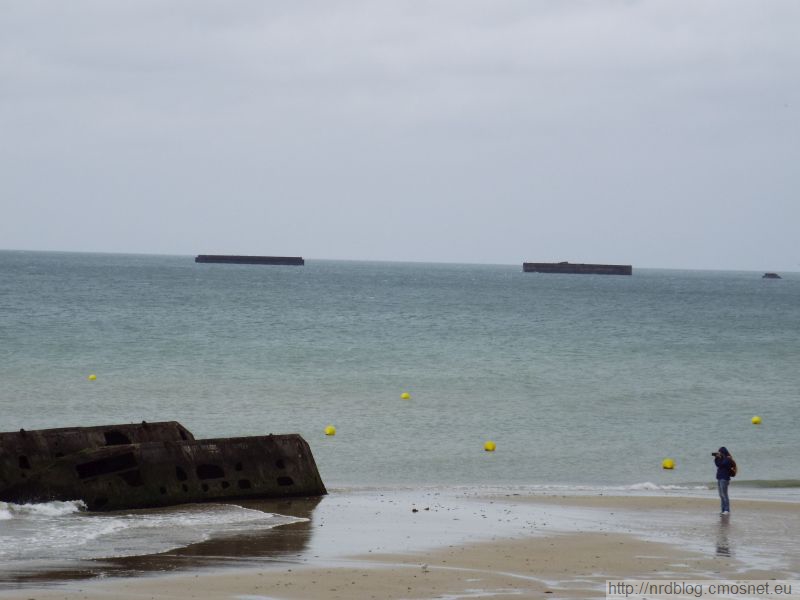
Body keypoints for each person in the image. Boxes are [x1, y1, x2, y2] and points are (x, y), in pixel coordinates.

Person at [714, 446, 734, 515]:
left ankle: (727, 510)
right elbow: (717, 464)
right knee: (721, 495)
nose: (719, 453)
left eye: (720, 452)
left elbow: (722, 464)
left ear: (723, 452)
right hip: (719, 478)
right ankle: (723, 509)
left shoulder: (728, 459)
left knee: (724, 494)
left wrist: (720, 458)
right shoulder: (721, 458)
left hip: (725, 478)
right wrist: (716, 458)